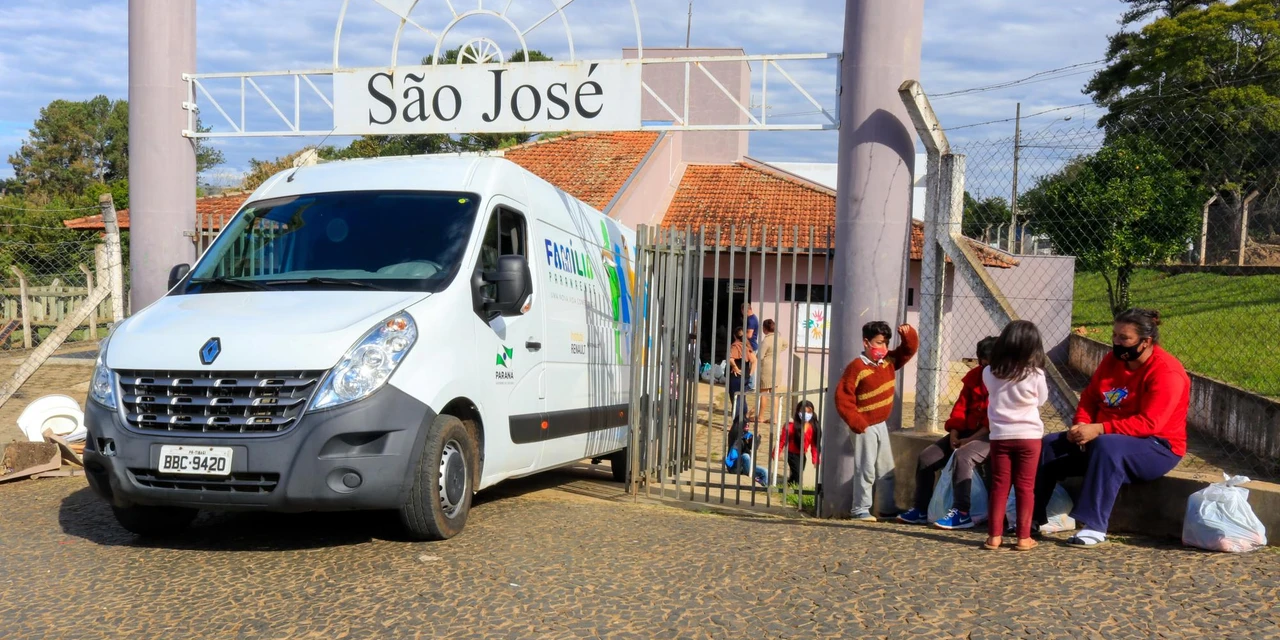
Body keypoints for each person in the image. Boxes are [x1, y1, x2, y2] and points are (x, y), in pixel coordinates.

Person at [1033, 308, 1189, 548]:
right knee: (1049, 445)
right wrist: (1082, 424)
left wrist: (1099, 429)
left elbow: (1151, 423)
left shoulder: (1167, 372)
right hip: (1104, 437)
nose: (1116, 342)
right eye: (1114, 335)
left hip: (1157, 446)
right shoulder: (1112, 360)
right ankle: (1030, 518)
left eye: (1124, 338)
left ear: (1146, 342)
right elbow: (1090, 397)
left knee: (1108, 445)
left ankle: (1095, 525)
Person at [897, 336, 997, 529]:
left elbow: (993, 417)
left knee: (963, 456)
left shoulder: (1002, 380)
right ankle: (920, 508)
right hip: (964, 432)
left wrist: (969, 440)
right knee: (926, 458)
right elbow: (960, 407)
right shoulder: (974, 377)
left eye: (989, 361)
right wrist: (954, 432)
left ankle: (962, 512)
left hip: (989, 435)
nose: (985, 365)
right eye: (982, 361)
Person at [834, 321, 918, 521]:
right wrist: (858, 423)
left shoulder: (888, 361)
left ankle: (888, 508)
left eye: (886, 343)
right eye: (879, 343)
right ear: (866, 342)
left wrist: (908, 334)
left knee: (886, 468)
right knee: (866, 469)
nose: (883, 348)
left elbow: (908, 350)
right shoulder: (856, 367)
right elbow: (843, 398)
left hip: (881, 424)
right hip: (864, 426)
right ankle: (860, 509)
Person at [981, 320, 1049, 551]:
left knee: (999, 485)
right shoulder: (1036, 374)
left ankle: (994, 537)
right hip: (1029, 436)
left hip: (999, 435)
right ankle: (1023, 537)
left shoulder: (989, 372)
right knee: (1025, 487)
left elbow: (991, 392)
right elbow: (1041, 400)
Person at [777, 400, 821, 485]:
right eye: (802, 411)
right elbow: (783, 440)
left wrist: (815, 459)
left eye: (808, 412)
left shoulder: (813, 428)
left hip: (802, 455)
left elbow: (814, 445)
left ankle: (789, 485)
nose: (805, 414)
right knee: (798, 475)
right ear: (798, 412)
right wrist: (777, 452)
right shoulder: (791, 426)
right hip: (792, 454)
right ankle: (796, 491)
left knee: (797, 474)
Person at [755, 319, 787, 425]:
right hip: (777, 367)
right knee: (775, 393)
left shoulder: (766, 341)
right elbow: (786, 344)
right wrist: (777, 352)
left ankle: (761, 416)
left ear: (764, 329)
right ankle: (774, 418)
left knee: (763, 392)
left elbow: (760, 356)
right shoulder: (779, 338)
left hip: (767, 368)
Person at [742, 303, 760, 391]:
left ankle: (751, 385)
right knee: (751, 365)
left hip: (751, 346)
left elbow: (749, 335)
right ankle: (750, 383)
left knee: (752, 365)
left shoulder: (751, 320)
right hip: (751, 345)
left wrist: (741, 334)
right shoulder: (753, 318)